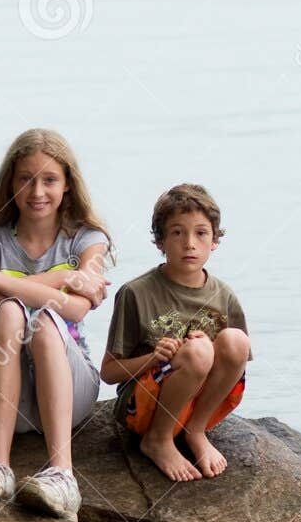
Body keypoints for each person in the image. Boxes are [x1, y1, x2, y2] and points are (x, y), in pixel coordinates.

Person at [0, 128, 113, 520]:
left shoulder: (87, 240)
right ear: (11, 182)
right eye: (26, 178)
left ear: (67, 187)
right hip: (9, 397)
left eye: (49, 180)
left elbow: (75, 311)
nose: (37, 191)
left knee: (43, 323)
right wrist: (61, 280)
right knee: (8, 313)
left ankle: (62, 473)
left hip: (68, 390)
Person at [102, 183, 251, 482]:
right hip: (146, 409)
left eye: (200, 233)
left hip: (197, 406)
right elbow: (108, 372)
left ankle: (196, 430)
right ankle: (158, 440)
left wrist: (209, 348)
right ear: (160, 241)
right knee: (198, 352)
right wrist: (153, 358)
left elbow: (235, 362)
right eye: (177, 233)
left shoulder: (224, 296)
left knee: (237, 341)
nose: (189, 244)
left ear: (215, 241)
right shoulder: (136, 293)